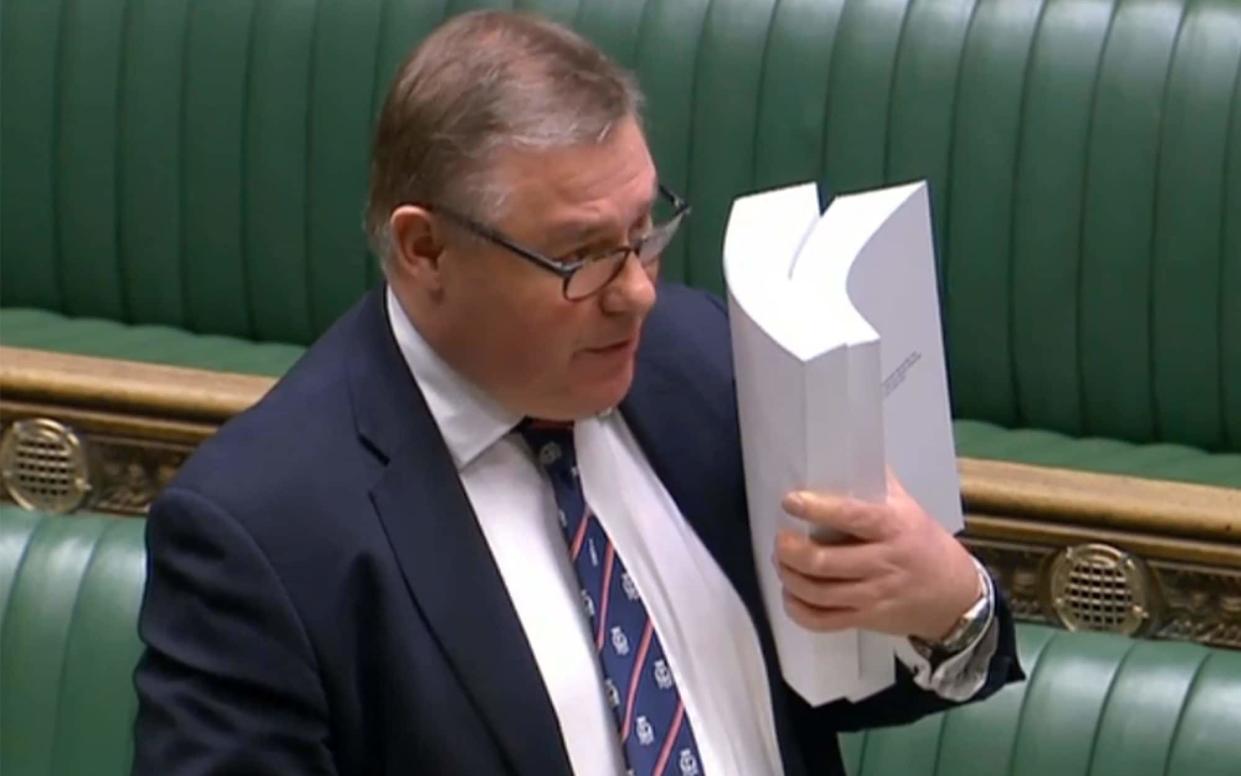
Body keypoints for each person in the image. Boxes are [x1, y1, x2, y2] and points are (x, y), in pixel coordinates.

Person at [132, 10, 1021, 776]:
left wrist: (948, 604)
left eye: (644, 232)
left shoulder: (700, 361)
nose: (635, 290)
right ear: (424, 250)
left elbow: (849, 681)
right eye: (581, 256)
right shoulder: (262, 533)